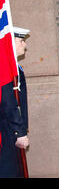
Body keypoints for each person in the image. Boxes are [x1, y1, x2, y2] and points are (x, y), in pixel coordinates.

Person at [0, 27, 30, 178]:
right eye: (21, 41)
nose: (25, 45)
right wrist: (19, 131)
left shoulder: (17, 68)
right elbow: (7, 101)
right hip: (6, 132)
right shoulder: (4, 69)